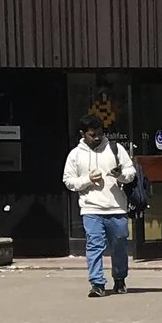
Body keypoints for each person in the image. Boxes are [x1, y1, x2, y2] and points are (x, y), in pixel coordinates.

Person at [60, 116, 136, 297]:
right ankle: (97, 283)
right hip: (90, 209)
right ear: (83, 133)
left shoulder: (115, 149)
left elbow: (130, 172)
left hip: (116, 207)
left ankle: (119, 279)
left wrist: (120, 175)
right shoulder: (75, 155)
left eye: (100, 134)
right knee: (94, 245)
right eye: (92, 134)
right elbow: (68, 181)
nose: (97, 138)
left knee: (119, 245)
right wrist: (87, 180)